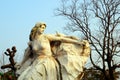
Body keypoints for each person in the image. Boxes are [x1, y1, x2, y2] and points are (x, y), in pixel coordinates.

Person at [17, 22, 84, 80]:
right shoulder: (32, 42)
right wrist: (21, 63)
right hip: (36, 62)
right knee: (24, 77)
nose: (43, 29)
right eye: (42, 28)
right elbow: (27, 54)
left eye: (44, 28)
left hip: (46, 62)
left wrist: (77, 42)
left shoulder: (46, 37)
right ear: (37, 28)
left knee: (33, 76)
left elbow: (61, 39)